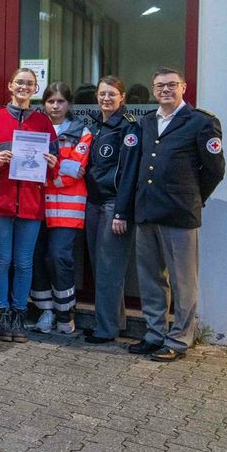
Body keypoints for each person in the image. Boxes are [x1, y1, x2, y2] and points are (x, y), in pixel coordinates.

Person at [129, 68, 224, 361]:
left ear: (183, 87)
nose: (165, 90)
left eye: (171, 85)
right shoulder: (146, 122)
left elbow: (215, 170)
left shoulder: (200, 122)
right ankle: (155, 333)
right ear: (153, 89)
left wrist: (193, 198)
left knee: (183, 282)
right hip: (147, 212)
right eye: (159, 85)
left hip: (180, 214)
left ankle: (180, 340)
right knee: (151, 279)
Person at [0, 67, 58, 344]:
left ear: (35, 88)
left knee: (23, 262)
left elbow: (54, 162)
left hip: (30, 203)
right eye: (19, 82)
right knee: (1, 260)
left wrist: (53, 166)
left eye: (29, 84)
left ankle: (19, 313)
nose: (23, 87)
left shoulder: (43, 123)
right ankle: (1, 314)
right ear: (9, 85)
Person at [83, 76, 141, 344]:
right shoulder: (96, 127)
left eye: (111, 94)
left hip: (112, 206)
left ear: (122, 97)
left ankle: (105, 331)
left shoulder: (128, 130)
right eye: (102, 94)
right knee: (101, 268)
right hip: (94, 203)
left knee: (109, 269)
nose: (106, 98)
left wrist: (122, 212)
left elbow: (130, 175)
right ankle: (113, 322)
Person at [30, 83, 91, 335]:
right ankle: (46, 311)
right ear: (43, 104)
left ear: (69, 104)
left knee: (59, 257)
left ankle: (66, 313)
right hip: (37, 206)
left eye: (61, 101)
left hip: (67, 209)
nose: (55, 106)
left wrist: (50, 171)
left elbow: (75, 170)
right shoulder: (33, 129)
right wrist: (55, 169)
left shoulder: (82, 132)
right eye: (50, 101)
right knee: (36, 258)